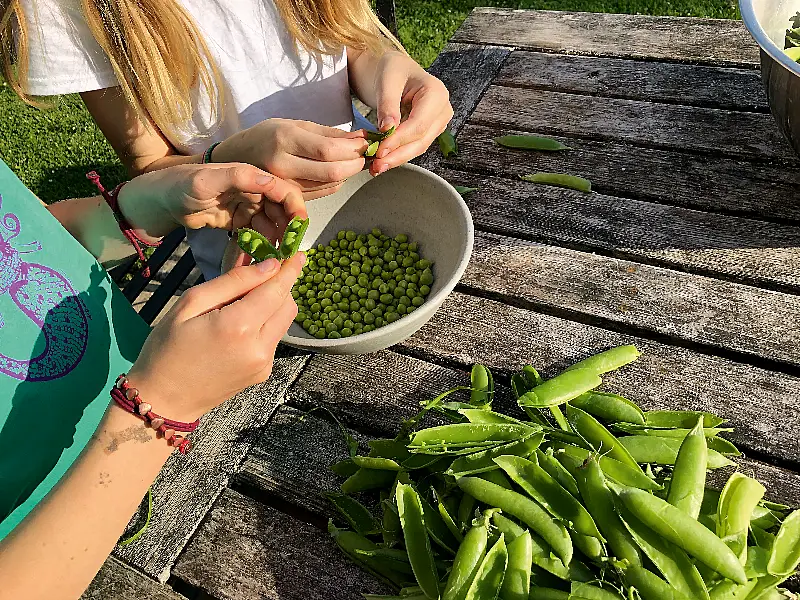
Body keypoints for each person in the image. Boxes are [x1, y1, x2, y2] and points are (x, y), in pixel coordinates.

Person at [0, 157, 307, 600]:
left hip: (132, 396)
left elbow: (30, 240)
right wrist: (159, 409)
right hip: (64, 524)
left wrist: (137, 209)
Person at [4, 0, 454, 280]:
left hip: (364, 197)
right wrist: (226, 161)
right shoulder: (68, 8)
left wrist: (391, 68)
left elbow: (346, 36)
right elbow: (149, 165)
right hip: (240, 251)